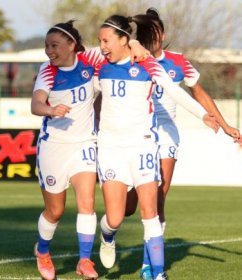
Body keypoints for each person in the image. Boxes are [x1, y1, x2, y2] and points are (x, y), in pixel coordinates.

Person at [95, 14, 219, 280]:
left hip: (143, 146)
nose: (102, 46)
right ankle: (107, 236)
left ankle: (158, 273)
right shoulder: (98, 64)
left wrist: (203, 116)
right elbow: (73, 57)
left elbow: (176, 92)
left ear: (122, 39)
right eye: (100, 41)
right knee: (115, 218)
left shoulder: (148, 64)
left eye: (106, 40)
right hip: (111, 149)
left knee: (151, 211)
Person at [123, 8, 242, 279]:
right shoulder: (129, 59)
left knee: (159, 196)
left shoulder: (178, 62)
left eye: (156, 32)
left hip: (166, 136)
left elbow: (200, 93)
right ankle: (117, 219)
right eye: (146, 33)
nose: (152, 37)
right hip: (135, 135)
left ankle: (151, 266)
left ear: (162, 35)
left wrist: (225, 126)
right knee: (130, 207)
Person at [31, 20, 148, 280]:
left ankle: (84, 260)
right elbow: (36, 103)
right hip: (53, 148)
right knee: (55, 211)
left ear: (72, 45)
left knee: (87, 205)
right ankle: (42, 251)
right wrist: (50, 109)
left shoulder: (90, 59)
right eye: (46, 46)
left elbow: (120, 44)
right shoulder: (47, 71)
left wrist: (137, 43)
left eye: (55, 45)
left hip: (84, 144)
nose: (49, 51)